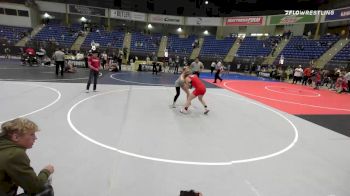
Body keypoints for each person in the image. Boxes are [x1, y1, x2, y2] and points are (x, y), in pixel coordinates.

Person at [0, 118, 54, 196]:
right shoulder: (14, 155)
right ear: (16, 137)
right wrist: (46, 171)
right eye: (32, 134)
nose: (35, 138)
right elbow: (35, 187)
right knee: (45, 190)